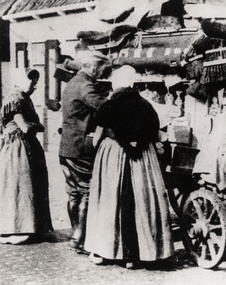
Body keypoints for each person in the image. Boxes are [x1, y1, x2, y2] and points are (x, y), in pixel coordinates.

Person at [84, 65, 174, 268]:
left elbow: (97, 137)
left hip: (114, 155)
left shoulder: (108, 105)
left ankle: (108, 250)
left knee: (110, 200)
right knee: (143, 200)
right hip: (143, 159)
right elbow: (155, 133)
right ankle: (145, 252)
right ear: (133, 83)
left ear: (116, 84)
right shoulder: (146, 105)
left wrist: (99, 148)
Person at [59, 51, 110, 253]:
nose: (101, 73)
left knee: (73, 193)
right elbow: (105, 107)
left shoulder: (72, 82)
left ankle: (75, 235)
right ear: (93, 67)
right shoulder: (86, 85)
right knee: (87, 191)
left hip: (67, 146)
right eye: (101, 69)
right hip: (81, 147)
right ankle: (81, 238)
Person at [0, 68, 53, 244]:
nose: (35, 85)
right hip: (17, 148)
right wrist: (35, 125)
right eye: (32, 81)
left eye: (36, 81)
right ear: (21, 80)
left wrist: (36, 125)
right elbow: (27, 127)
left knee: (30, 185)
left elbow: (39, 126)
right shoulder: (15, 99)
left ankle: (32, 226)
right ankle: (15, 228)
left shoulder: (24, 98)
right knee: (20, 186)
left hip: (27, 146)